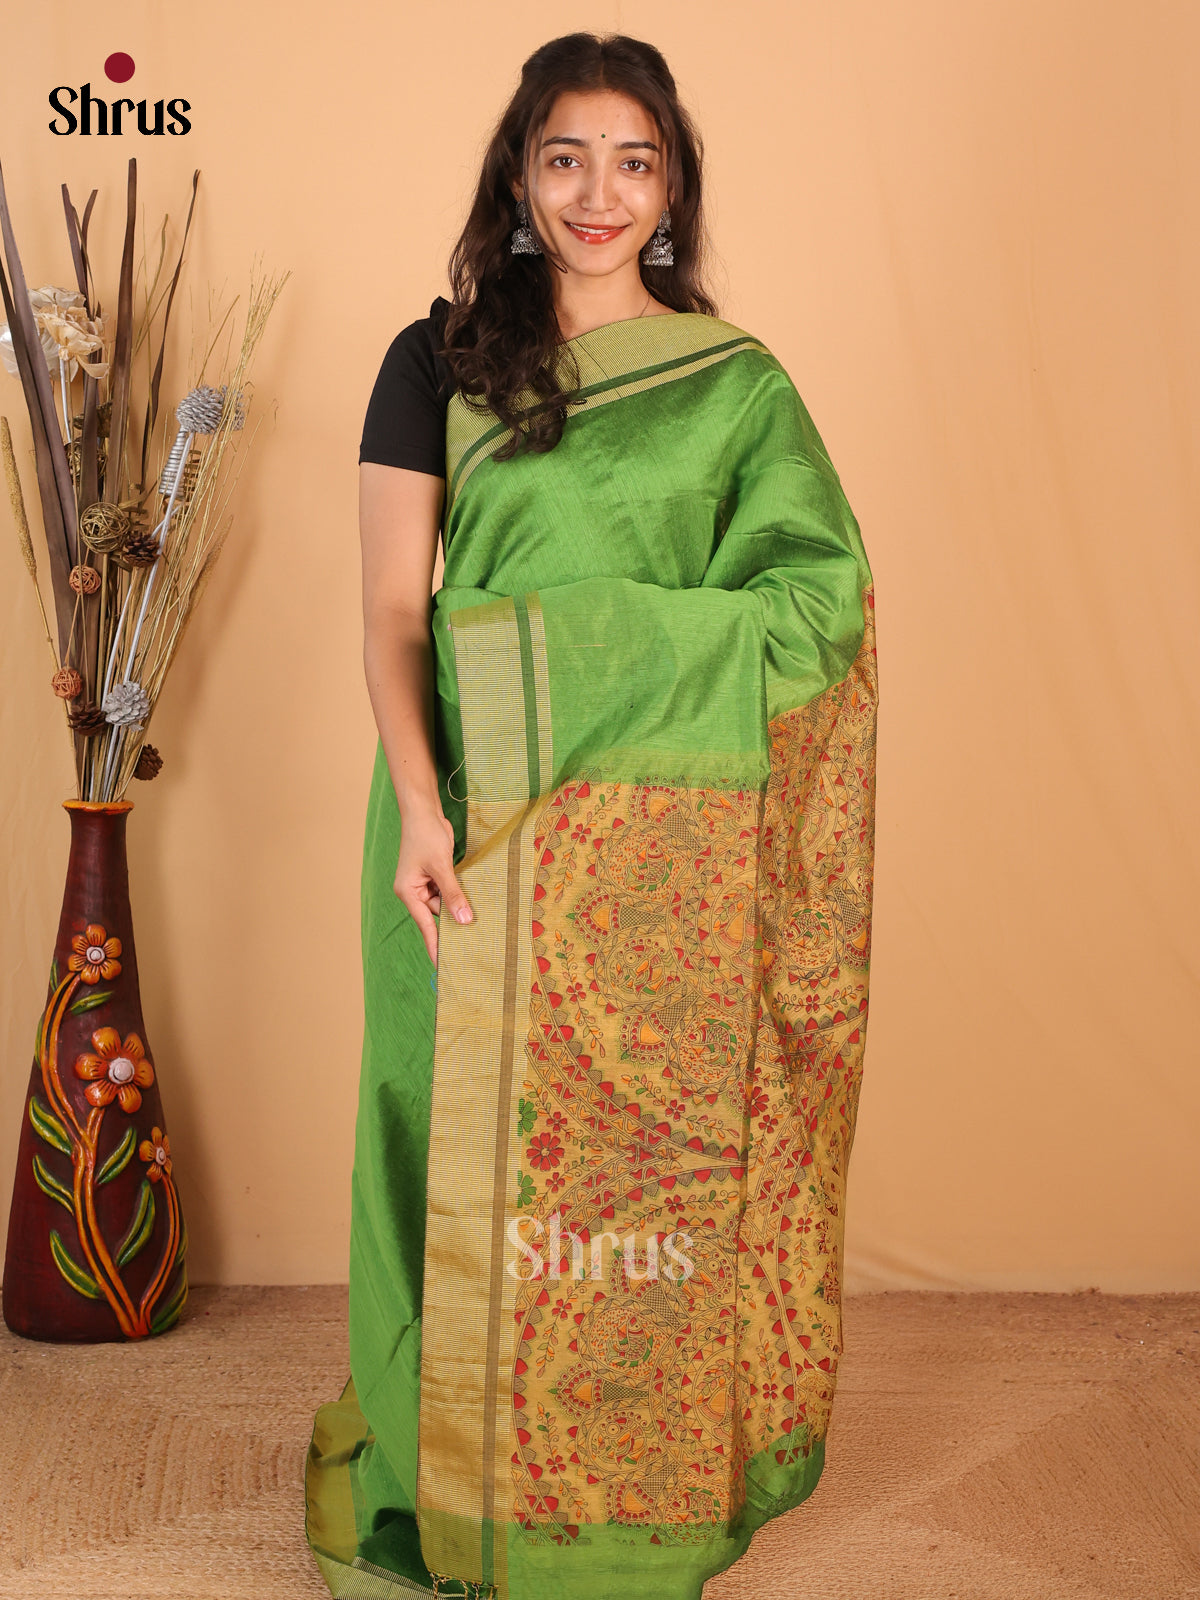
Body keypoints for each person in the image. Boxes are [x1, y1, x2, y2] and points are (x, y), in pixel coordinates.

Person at [305, 30, 878, 1600]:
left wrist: (613, 645)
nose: (597, 194)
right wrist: (420, 807)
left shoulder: (734, 385)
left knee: (637, 1177)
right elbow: (392, 611)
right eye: (565, 158)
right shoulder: (435, 360)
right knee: (437, 1143)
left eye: (634, 161)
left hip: (664, 847)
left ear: (674, 187)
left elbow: (819, 601)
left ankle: (627, 1508)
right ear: (517, 175)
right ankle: (444, 1492)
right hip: (466, 817)